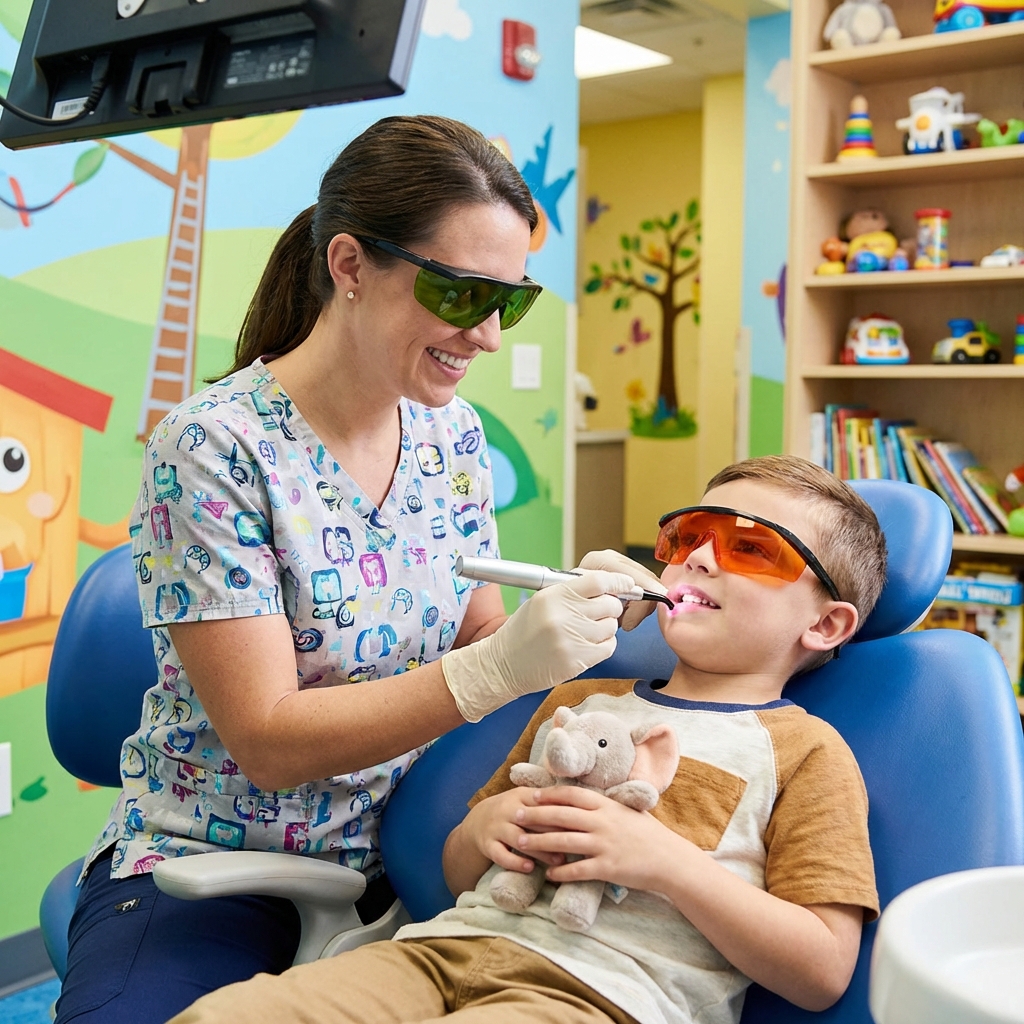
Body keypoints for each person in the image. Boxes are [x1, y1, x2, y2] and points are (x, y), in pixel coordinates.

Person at [55, 115, 663, 1024]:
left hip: (428, 840)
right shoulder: (214, 447)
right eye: (461, 296)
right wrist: (497, 670)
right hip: (217, 861)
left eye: (512, 300)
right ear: (349, 265)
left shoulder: (451, 434)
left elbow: (481, 632)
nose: (490, 337)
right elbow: (266, 738)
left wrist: (589, 622)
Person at [170, 454, 886, 1024]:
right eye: (690, 535)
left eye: (751, 548)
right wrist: (486, 829)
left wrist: (663, 862)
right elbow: (458, 872)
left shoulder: (807, 753)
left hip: (601, 999)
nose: (698, 558)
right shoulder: (578, 698)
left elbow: (823, 972)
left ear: (825, 625)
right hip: (437, 954)